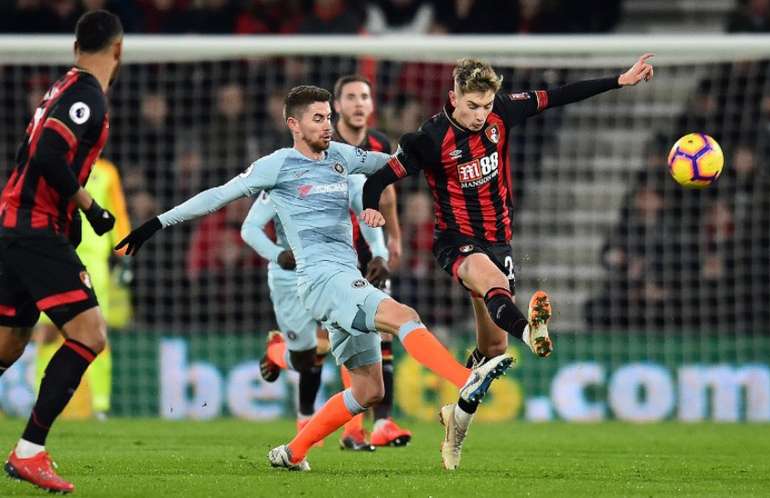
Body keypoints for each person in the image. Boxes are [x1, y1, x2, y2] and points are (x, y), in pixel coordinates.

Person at [116, 85, 513, 471]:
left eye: (329, 117)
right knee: (403, 315)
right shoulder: (277, 165)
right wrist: (155, 223)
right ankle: (466, 381)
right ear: (294, 124)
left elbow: (390, 163)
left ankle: (292, 451)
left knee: (368, 390)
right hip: (321, 280)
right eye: (319, 118)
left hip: (346, 276)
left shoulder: (340, 155)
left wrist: (433, 146)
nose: (328, 125)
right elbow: (218, 195)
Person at [360, 54, 655, 469]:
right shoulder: (428, 138)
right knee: (490, 280)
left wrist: (620, 81)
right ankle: (530, 332)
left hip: (500, 240)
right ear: (453, 97)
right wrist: (371, 208)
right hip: (456, 241)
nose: (481, 115)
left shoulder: (503, 111)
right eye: (472, 106)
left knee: (491, 348)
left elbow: (558, 96)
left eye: (485, 105)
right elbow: (378, 179)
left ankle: (456, 420)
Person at [0, 10, 123, 493]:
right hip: (33, 230)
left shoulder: (60, 89)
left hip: (15, 224)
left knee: (10, 345)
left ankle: (29, 451)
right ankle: (29, 451)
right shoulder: (85, 96)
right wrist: (90, 209)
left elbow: (25, 154)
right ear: (118, 50)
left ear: (76, 47)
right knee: (90, 334)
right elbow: (49, 154)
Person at [241, 174, 389, 452]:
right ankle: (277, 352)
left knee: (346, 335)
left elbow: (367, 214)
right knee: (308, 356)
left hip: (333, 272)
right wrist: (277, 254)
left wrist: (381, 253)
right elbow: (249, 228)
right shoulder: (280, 179)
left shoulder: (344, 178)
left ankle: (347, 430)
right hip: (289, 277)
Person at [331, 74, 411, 449]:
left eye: (364, 96)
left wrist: (393, 237)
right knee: (341, 335)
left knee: (382, 333)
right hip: (334, 251)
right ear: (336, 106)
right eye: (351, 97)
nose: (359, 103)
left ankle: (383, 423)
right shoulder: (324, 143)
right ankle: (351, 426)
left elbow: (389, 196)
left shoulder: (380, 143)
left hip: (372, 250)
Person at [34, 157, 132, 420]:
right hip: (56, 254)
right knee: (47, 331)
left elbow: (118, 211)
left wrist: (124, 255)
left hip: (95, 262)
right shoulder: (54, 165)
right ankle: (40, 402)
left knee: (97, 331)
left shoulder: (108, 171)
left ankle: (100, 405)